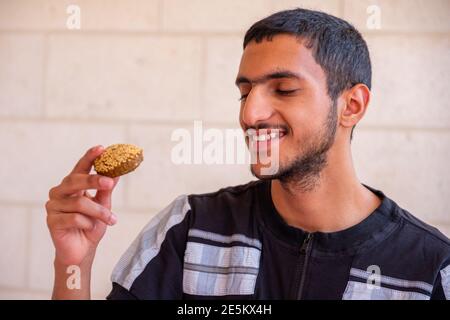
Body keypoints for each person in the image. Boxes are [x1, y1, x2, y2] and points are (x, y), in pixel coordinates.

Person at [46, 8, 450, 300]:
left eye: (284, 89)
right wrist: (73, 263)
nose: (249, 114)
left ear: (352, 105)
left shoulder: (430, 269)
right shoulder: (189, 228)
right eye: (244, 92)